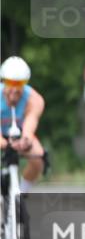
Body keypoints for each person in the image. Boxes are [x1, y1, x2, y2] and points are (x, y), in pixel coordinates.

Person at [0, 56, 46, 192]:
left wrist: (26, 140)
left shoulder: (35, 99)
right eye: (10, 82)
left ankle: (22, 191)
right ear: (3, 81)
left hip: (18, 133)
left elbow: (30, 126)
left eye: (19, 83)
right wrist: (4, 143)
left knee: (39, 156)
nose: (14, 89)